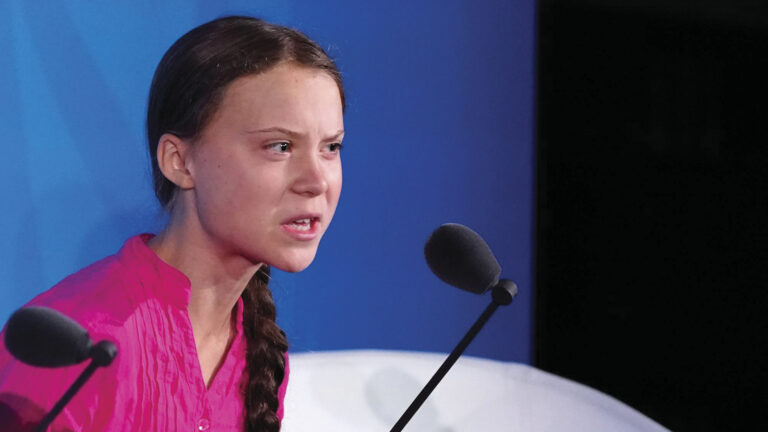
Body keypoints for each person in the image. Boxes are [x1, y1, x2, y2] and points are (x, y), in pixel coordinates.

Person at [0, 16, 345, 432]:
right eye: (280, 146)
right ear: (179, 162)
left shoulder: (261, 355)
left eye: (331, 147)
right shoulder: (79, 350)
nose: (317, 181)